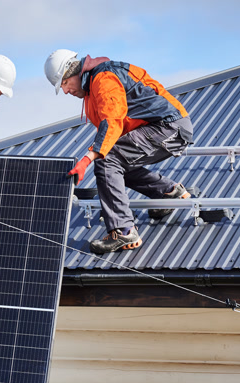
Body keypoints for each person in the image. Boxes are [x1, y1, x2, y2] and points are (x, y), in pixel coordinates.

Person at [44, 49, 194, 254]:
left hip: (169, 127)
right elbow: (112, 134)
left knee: (108, 160)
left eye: (64, 84)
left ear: (74, 73)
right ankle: (169, 192)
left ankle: (123, 231)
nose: (65, 91)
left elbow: (112, 122)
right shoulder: (92, 88)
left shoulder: (104, 79)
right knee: (113, 162)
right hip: (165, 126)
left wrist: (88, 159)